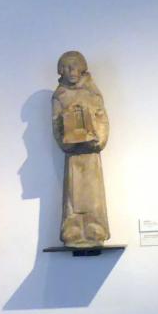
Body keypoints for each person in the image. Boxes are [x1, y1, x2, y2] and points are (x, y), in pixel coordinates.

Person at [52, 51, 110, 245]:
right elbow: (56, 124)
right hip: (73, 155)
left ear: (82, 69)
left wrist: (98, 140)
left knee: (92, 193)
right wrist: (66, 141)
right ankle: (73, 227)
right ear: (61, 71)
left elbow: (102, 118)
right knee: (73, 194)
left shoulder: (92, 93)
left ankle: (95, 226)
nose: (71, 72)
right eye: (67, 68)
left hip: (90, 152)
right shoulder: (60, 96)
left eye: (75, 67)